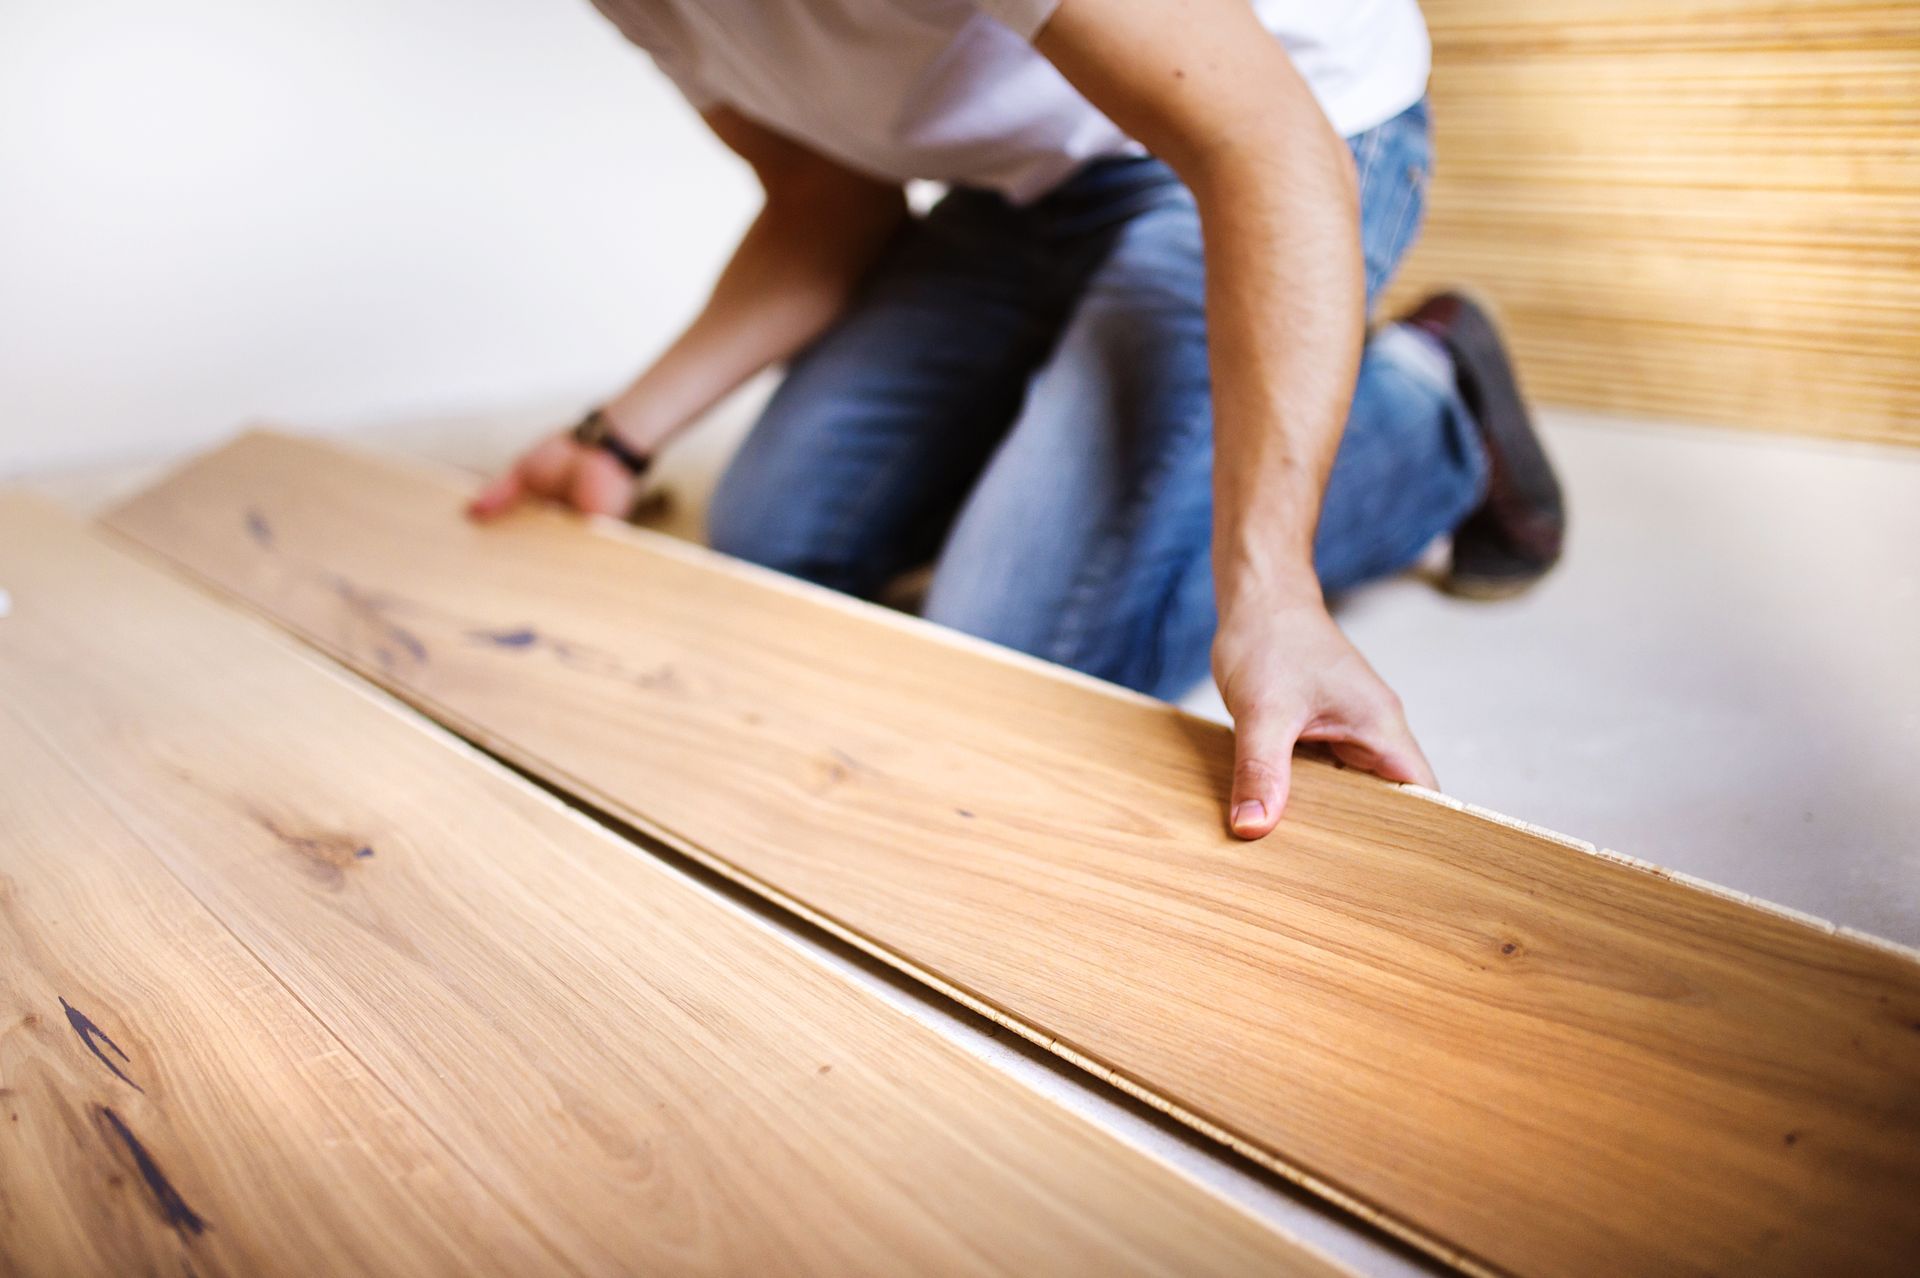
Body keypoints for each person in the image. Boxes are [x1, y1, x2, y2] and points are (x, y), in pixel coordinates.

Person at [470, 0, 1566, 838]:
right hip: (1022, 190)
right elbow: (825, 203)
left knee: (1009, 658)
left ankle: (1434, 408)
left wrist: (1271, 585)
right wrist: (614, 438)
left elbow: (1264, 144)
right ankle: (1076, 455)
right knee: (773, 545)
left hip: (1276, 135)